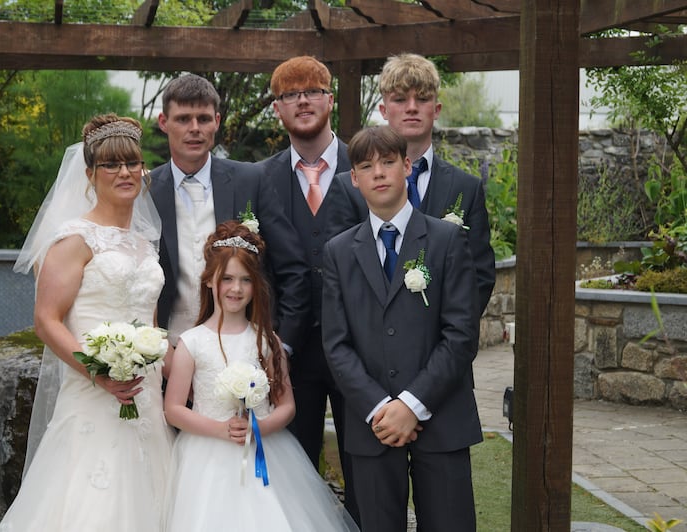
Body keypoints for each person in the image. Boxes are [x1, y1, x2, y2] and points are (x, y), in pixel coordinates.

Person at [0, 114, 174, 531]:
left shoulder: (145, 242)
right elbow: (47, 320)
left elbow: (150, 321)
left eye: (133, 163)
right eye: (111, 165)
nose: (125, 173)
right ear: (90, 174)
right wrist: (100, 373)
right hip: (93, 392)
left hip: (145, 394)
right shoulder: (74, 239)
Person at [322, 126, 482, 532]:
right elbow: (337, 345)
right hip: (371, 425)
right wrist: (381, 409)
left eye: (388, 162)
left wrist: (412, 404)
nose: (379, 173)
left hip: (441, 419)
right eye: (366, 166)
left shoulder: (446, 239)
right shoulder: (339, 252)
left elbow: (461, 334)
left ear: (407, 167)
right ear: (353, 179)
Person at [164, 220, 358, 532]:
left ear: (256, 286)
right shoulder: (192, 342)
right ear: (209, 281)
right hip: (206, 455)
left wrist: (259, 428)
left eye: (245, 280)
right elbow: (173, 409)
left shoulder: (268, 341)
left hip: (266, 450)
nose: (236, 288)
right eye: (226, 278)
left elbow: (286, 406)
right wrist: (219, 429)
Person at [255, 55, 359, 522]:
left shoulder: (367, 167)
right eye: (290, 94)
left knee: (367, 475)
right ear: (277, 109)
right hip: (288, 355)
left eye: (313, 91)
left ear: (331, 100)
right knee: (293, 477)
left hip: (361, 353)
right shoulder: (260, 178)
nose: (302, 101)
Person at [149, 73, 311, 352]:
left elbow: (292, 268)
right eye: (183, 119)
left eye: (203, 118)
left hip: (246, 350)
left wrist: (281, 344)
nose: (194, 128)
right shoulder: (146, 190)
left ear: (217, 121)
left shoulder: (251, 180)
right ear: (164, 123)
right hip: (168, 352)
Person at [335, 53, 495, 316]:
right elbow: (341, 274)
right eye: (400, 99)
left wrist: (451, 340)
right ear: (384, 110)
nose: (412, 107)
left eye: (422, 99)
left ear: (437, 109)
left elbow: (479, 277)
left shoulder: (465, 187)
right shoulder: (347, 187)